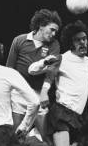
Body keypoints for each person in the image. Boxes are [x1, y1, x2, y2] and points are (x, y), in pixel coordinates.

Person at [7, 8, 62, 137]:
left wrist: (44, 92)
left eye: (56, 31)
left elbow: (52, 71)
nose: (54, 34)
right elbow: (9, 69)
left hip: (39, 94)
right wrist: (6, 95)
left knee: (43, 138)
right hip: (18, 95)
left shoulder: (54, 45)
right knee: (16, 138)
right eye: (52, 29)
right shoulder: (19, 40)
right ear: (41, 26)